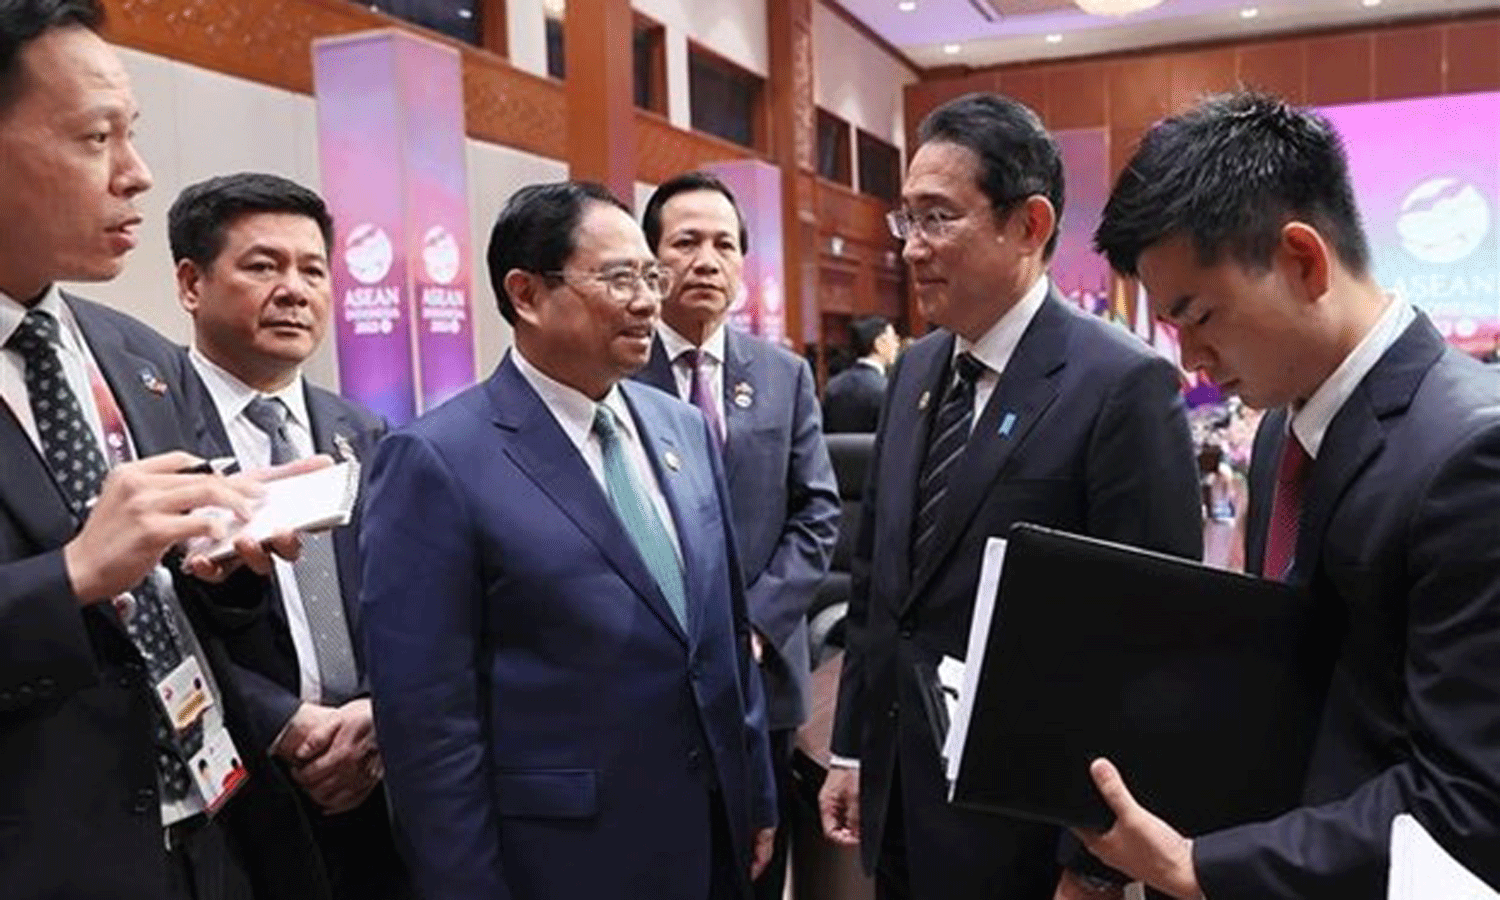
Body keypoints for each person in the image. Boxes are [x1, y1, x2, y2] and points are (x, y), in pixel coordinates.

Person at [1063, 90, 1500, 900]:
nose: (1190, 359)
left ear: (1302, 260)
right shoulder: (1279, 430)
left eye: (1199, 317)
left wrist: (1202, 868)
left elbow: (1467, 806)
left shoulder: (1471, 454)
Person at [817, 91, 1203, 900]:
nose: (912, 250)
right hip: (900, 807)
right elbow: (881, 590)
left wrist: (1093, 866)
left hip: (1027, 839)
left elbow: (1149, 647)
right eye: (906, 221)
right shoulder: (917, 370)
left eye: (938, 219)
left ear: (1029, 225)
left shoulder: (1122, 385)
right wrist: (854, 748)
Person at [359, 180, 778, 900]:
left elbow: (721, 631)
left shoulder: (679, 427)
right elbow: (429, 724)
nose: (649, 300)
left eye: (651, 275)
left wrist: (755, 790)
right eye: (620, 278)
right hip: (562, 859)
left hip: (709, 834)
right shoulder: (437, 460)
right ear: (525, 294)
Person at [0, 2, 326, 897]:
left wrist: (226, 568)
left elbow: (185, 605)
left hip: (216, 834)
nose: (137, 175)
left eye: (131, 134)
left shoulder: (134, 355)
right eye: (94, 138)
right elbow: (89, 577)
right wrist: (69, 575)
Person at [170, 172, 411, 899]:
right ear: (191, 283)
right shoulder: (155, 427)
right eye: (262, 265)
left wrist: (375, 713)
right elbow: (151, 616)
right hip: (236, 786)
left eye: (312, 270)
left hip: (374, 777)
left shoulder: (361, 430)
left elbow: (403, 598)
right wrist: (282, 724)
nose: (295, 289)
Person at [634, 170, 840, 900]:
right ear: (649, 259)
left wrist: (752, 625)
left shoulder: (782, 375)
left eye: (724, 244)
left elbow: (817, 515)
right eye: (685, 242)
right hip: (649, 674)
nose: (707, 260)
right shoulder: (618, 373)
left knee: (756, 862)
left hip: (763, 672)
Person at [823, 315, 898, 433]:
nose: (897, 345)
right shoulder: (888, 389)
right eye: (894, 338)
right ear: (879, 344)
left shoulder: (832, 386)